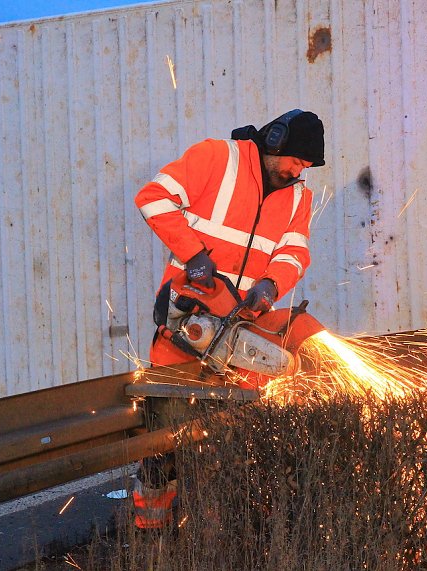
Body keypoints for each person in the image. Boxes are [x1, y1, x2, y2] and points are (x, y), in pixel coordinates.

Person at [130, 109, 326, 530]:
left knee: (237, 440)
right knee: (163, 440)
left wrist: (272, 284)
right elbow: (152, 197)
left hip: (242, 328)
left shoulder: (299, 195)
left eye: (306, 167)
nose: (298, 171)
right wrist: (195, 256)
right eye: (295, 160)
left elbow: (296, 252)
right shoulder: (216, 158)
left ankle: (224, 535)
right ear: (275, 141)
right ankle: (153, 532)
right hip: (187, 322)